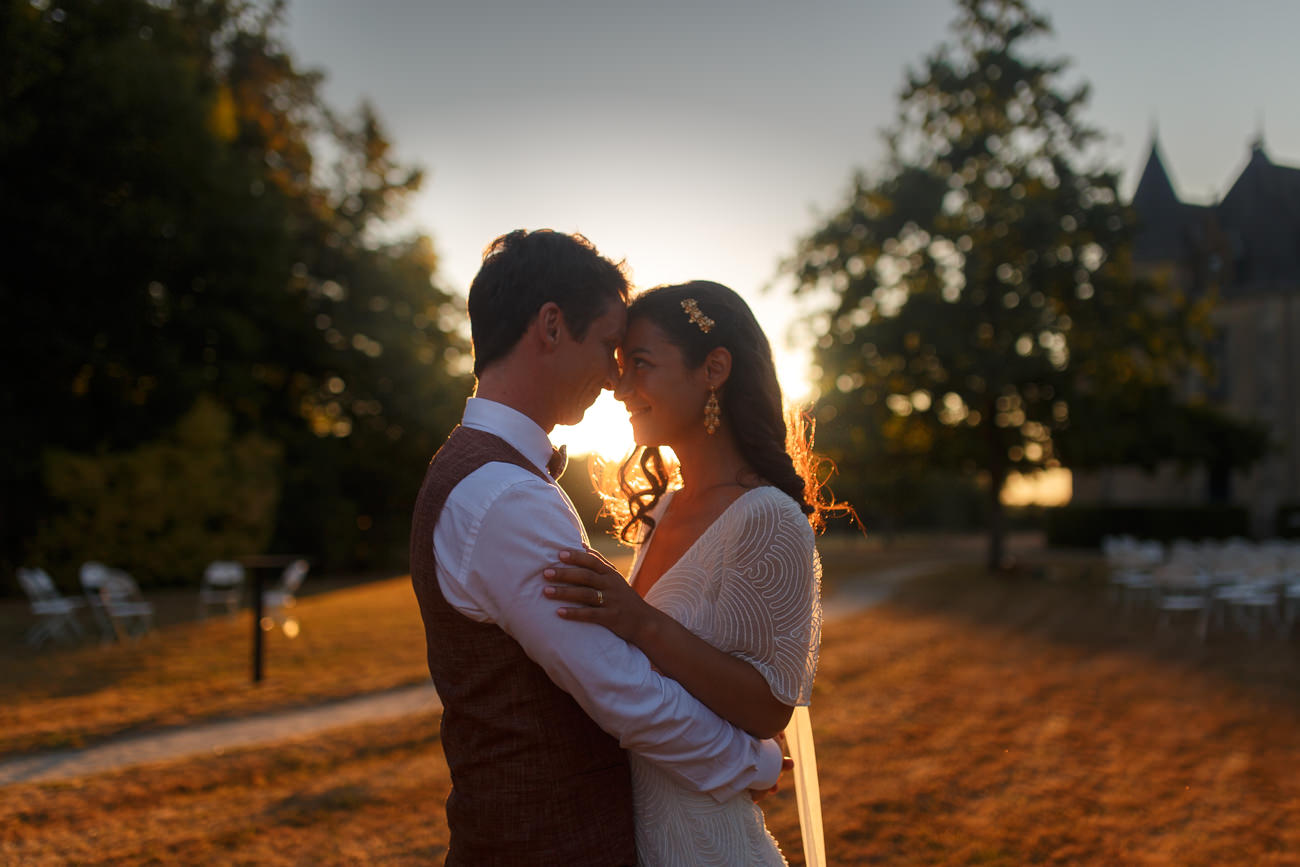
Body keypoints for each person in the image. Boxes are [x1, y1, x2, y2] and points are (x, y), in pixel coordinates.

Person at [409, 233, 785, 866]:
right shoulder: (504, 496)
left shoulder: (479, 472)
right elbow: (622, 691)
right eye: (609, 347)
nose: (615, 377)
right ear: (551, 326)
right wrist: (753, 761)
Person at [541, 280, 830, 865]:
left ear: (713, 368)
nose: (621, 389)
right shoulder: (666, 507)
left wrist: (640, 622)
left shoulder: (769, 517)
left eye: (640, 365)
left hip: (708, 847)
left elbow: (769, 708)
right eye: (621, 368)